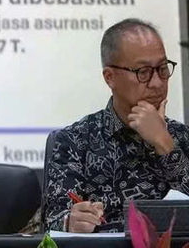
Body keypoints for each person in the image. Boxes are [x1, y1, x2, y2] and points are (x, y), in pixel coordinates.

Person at [44, 18, 189, 232]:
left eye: (162, 69)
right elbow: (52, 221)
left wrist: (166, 146)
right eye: (143, 72)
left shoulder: (182, 136)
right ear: (110, 77)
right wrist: (70, 222)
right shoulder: (74, 141)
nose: (157, 82)